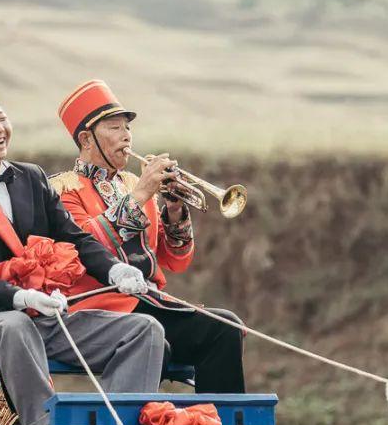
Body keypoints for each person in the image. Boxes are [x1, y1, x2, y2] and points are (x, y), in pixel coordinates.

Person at [0, 85, 166, 425]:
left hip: (48, 316)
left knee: (144, 330)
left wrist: (113, 269)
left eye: (2, 118)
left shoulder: (31, 177)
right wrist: (21, 298)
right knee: (15, 326)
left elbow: (72, 236)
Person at [52, 79, 245, 393]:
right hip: (100, 312)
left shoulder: (133, 183)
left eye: (127, 127)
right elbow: (85, 245)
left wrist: (173, 209)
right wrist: (141, 194)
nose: (126, 135)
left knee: (226, 326)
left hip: (150, 302)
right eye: (114, 128)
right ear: (87, 139)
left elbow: (177, 262)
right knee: (193, 332)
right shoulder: (62, 188)